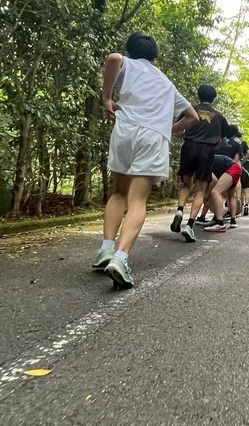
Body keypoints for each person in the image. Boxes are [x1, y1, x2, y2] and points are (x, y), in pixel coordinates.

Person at [93, 32, 198, 289]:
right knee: (137, 199)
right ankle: (120, 258)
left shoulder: (127, 64)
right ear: (155, 57)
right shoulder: (167, 84)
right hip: (153, 138)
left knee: (119, 192)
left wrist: (107, 98)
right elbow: (192, 116)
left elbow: (114, 58)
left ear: (132, 50)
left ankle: (106, 249)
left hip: (124, 131)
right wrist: (169, 128)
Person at [170, 84, 231, 234]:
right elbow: (223, 141)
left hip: (189, 146)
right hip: (207, 150)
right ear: (214, 98)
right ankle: (189, 225)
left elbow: (177, 129)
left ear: (199, 95)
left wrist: (183, 136)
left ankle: (179, 210)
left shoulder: (190, 109)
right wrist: (215, 146)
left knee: (186, 184)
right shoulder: (220, 117)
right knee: (201, 189)